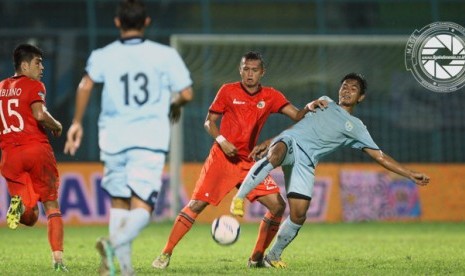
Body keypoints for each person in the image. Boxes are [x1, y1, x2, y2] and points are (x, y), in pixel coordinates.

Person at [230, 72, 430, 268]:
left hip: (306, 162)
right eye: (344, 86)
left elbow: (379, 156)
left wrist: (409, 173)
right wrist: (271, 141)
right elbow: (299, 127)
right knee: (276, 153)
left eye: (353, 89)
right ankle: (239, 198)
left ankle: (273, 256)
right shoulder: (324, 101)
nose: (347, 91)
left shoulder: (357, 127)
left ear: (361, 97)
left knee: (299, 214)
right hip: (290, 143)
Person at [152, 51, 327, 269]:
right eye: (246, 69)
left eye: (254, 70)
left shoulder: (271, 96)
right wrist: (222, 140)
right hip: (222, 159)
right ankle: (165, 253)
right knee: (196, 205)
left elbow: (298, 116)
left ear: (262, 72)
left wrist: (310, 106)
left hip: (250, 162)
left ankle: (256, 259)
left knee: (277, 206)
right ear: (240, 69)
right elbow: (209, 122)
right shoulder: (227, 90)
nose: (249, 74)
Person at [63, 0, 193, 275]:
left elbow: (85, 84)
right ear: (146, 22)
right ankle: (114, 243)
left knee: (119, 202)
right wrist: (174, 105)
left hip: (112, 138)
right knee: (144, 207)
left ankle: (122, 269)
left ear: (118, 23)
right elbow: (187, 93)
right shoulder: (164, 55)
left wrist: (76, 122)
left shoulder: (103, 54)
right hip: (148, 140)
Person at [0, 44, 67, 272]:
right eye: (38, 62)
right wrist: (56, 125)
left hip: (10, 155)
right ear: (25, 65)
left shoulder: (0, 88)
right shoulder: (34, 85)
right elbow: (39, 114)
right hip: (35, 150)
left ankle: (17, 208)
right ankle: (58, 261)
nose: (42, 67)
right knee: (51, 206)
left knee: (30, 216)